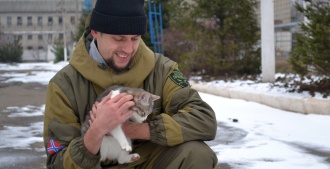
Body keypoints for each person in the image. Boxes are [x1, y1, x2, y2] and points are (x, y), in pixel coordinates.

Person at [43, 0, 218, 168]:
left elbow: (204, 120)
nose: (127, 49)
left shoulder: (162, 70)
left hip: (150, 161)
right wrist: (97, 131)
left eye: (135, 38)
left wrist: (134, 129)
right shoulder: (64, 85)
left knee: (197, 154)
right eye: (119, 39)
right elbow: (57, 161)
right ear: (96, 31)